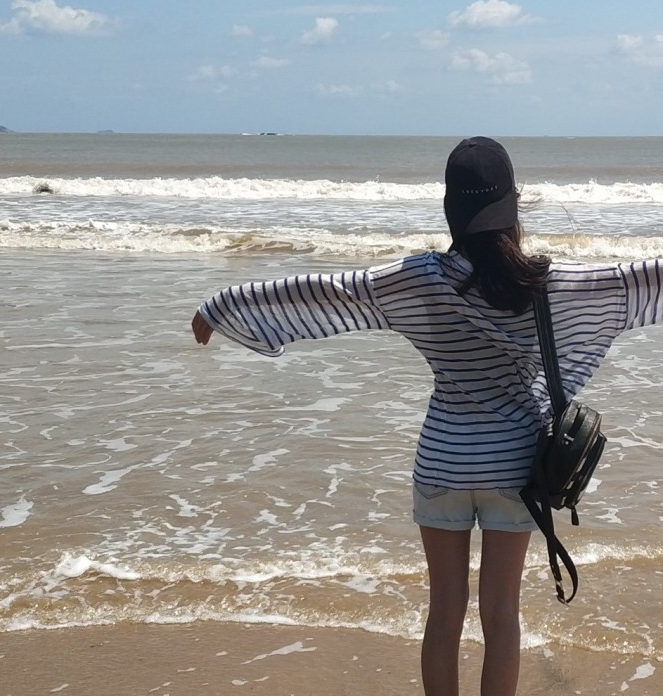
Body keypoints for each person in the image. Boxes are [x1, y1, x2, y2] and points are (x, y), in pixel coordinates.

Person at [191, 137, 662, 696]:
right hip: (515, 470)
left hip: (442, 462)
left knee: (444, 612)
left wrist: (222, 306)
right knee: (501, 616)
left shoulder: (416, 279)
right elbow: (638, 279)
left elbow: (325, 292)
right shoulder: (547, 282)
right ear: (513, 206)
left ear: (450, 208)